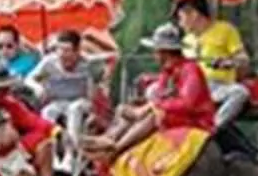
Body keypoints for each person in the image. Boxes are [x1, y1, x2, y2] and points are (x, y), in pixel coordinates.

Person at [93, 21, 217, 160]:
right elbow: (159, 95)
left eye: (156, 51)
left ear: (164, 52)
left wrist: (152, 106)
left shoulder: (190, 70)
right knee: (126, 109)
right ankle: (109, 139)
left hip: (196, 121)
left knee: (156, 114)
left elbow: (187, 103)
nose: (154, 55)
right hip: (176, 116)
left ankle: (117, 148)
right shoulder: (167, 71)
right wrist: (142, 105)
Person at [181, 0, 255, 139]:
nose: (180, 23)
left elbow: (244, 60)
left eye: (181, 17)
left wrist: (228, 63)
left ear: (194, 14)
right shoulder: (186, 40)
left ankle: (212, 129)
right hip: (191, 87)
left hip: (218, 86)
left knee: (240, 93)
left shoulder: (226, 30)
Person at [0, 53, 56, 176]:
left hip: (12, 153)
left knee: (42, 140)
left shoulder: (9, 104)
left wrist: (54, 129)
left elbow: (32, 121)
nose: (6, 92)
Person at [29, 26, 96, 125]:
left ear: (77, 51)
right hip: (58, 102)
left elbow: (93, 91)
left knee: (74, 109)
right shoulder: (50, 65)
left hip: (81, 102)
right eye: (59, 49)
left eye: (67, 50)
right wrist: (38, 87)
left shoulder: (86, 65)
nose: (62, 54)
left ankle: (74, 140)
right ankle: (52, 137)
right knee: (47, 112)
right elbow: (32, 80)